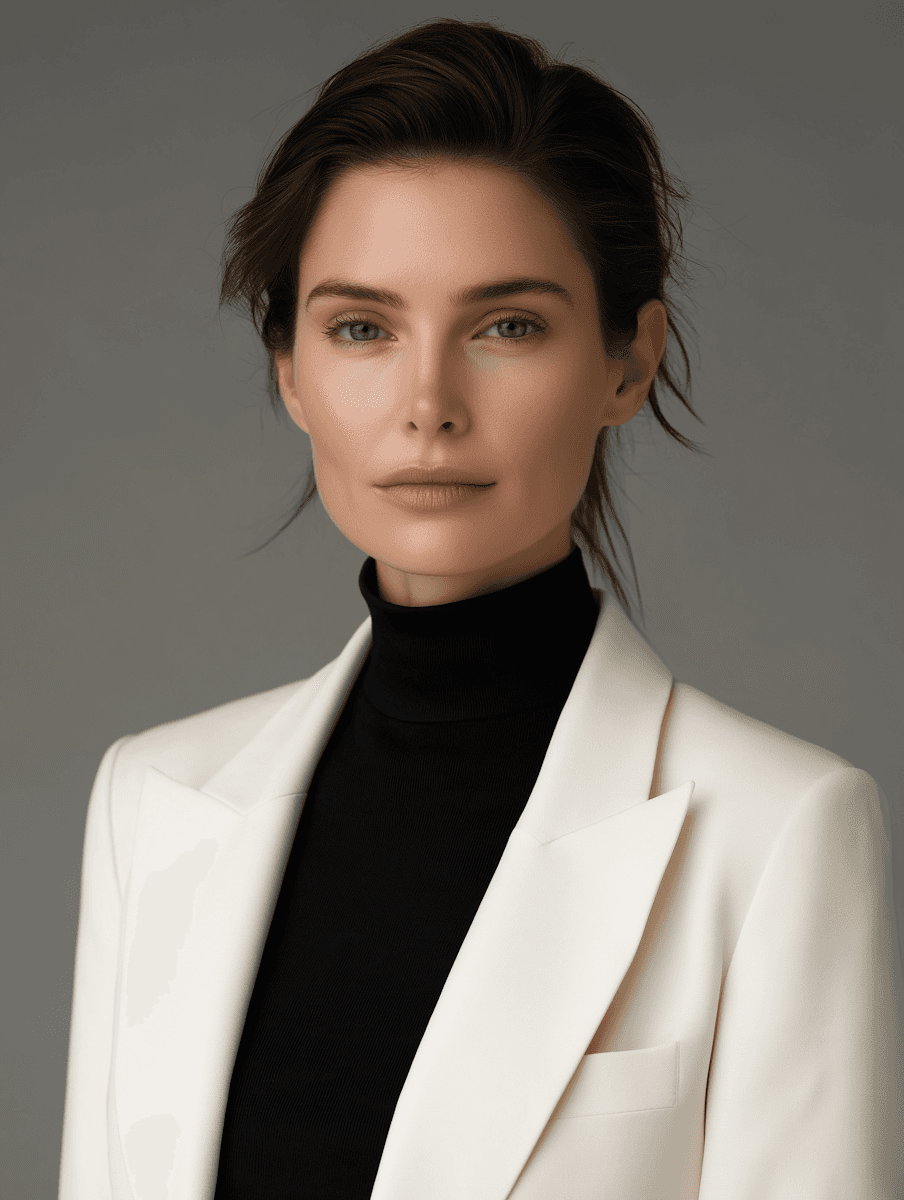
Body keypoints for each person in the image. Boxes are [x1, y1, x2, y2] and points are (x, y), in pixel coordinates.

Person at [58, 18, 903, 1200]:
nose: (428, 404)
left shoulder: (779, 834)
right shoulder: (151, 801)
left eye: (507, 326)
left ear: (627, 359)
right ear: (290, 372)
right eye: (361, 327)